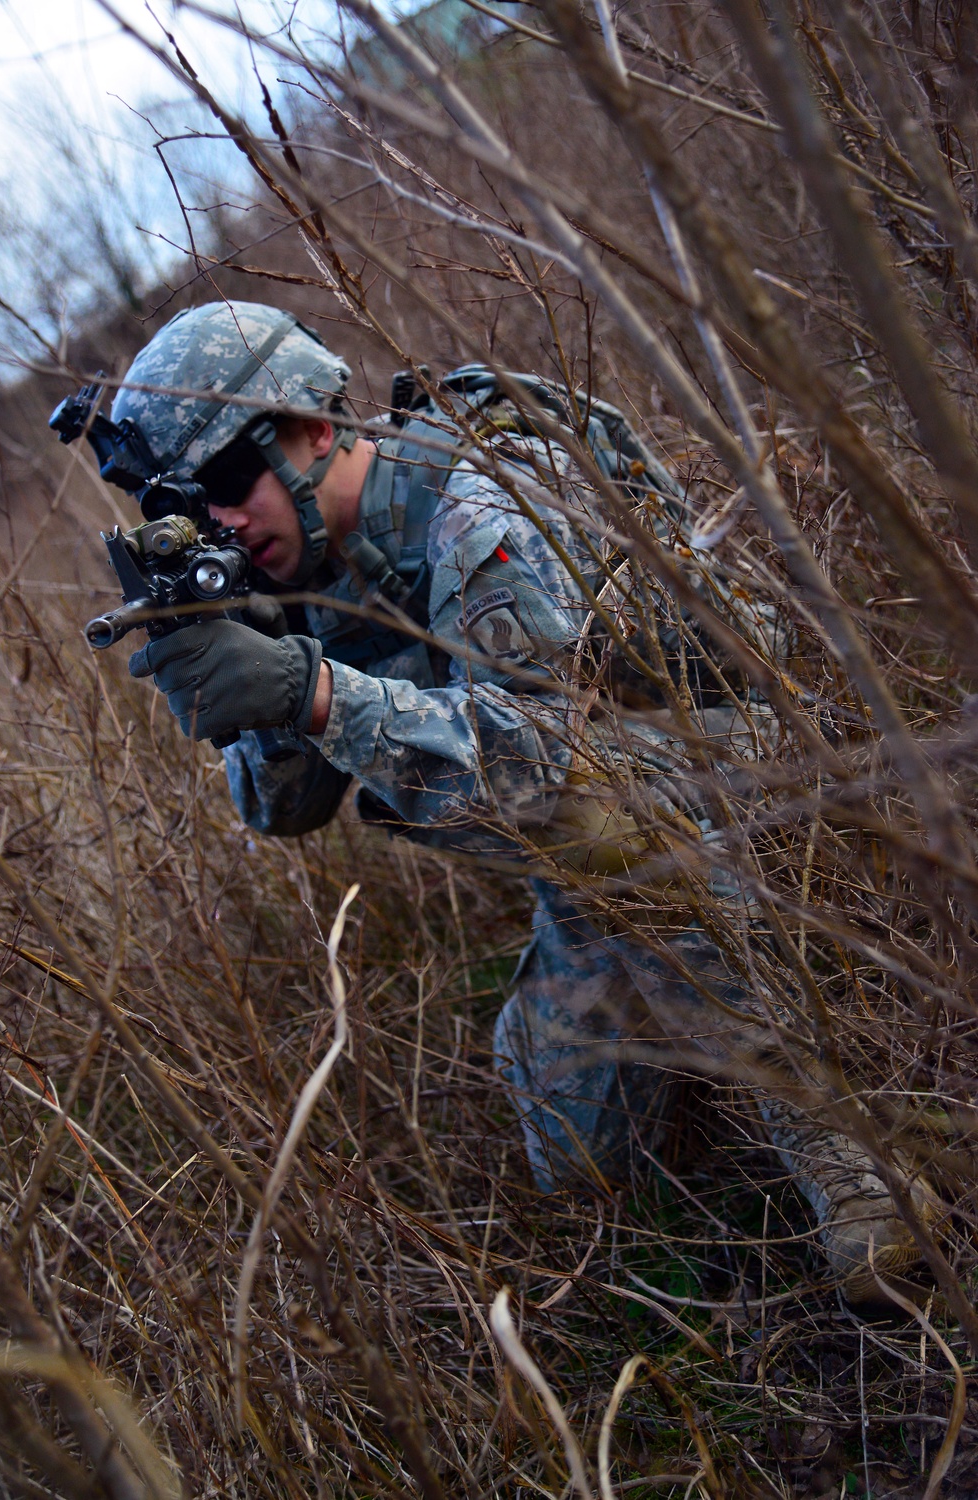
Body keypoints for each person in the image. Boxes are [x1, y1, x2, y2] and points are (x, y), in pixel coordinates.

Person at [104, 299, 933, 1306]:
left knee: (613, 840)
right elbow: (280, 810)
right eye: (188, 504)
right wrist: (248, 660)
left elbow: (548, 776)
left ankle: (842, 1141)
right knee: (579, 1162)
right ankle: (708, 1023)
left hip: (747, 801)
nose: (223, 518)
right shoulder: (311, 570)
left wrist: (310, 689)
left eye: (230, 479)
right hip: (603, 864)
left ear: (313, 428)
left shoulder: (473, 507)